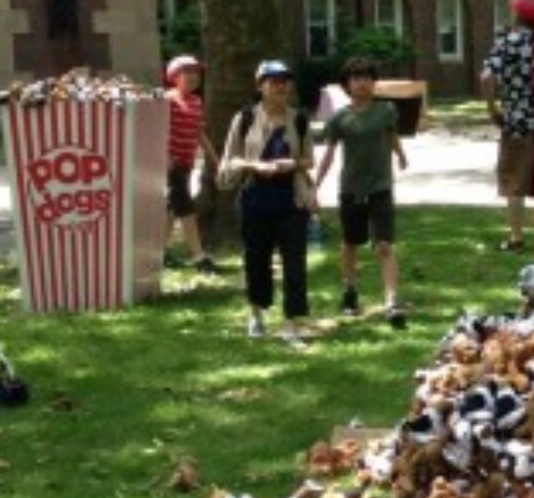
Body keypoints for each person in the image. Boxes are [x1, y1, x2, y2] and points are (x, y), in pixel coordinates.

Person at [218, 60, 316, 347]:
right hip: (255, 196)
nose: (280, 86)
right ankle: (256, 315)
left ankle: (292, 325)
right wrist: (254, 166)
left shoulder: (299, 119)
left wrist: (293, 163)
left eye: (285, 80)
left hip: (291, 198)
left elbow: (310, 159)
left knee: (295, 262)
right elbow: (230, 159)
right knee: (256, 259)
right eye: (273, 81)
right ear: (260, 85)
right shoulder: (245, 118)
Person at [313, 56, 409, 328]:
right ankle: (350, 292)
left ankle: (391, 299)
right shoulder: (339, 118)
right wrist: (315, 185)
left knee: (384, 245)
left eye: (367, 77)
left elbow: (391, 136)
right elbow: (329, 154)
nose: (362, 83)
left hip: (381, 187)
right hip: (350, 189)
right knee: (350, 244)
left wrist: (401, 155)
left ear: (373, 82)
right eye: (356, 78)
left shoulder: (386, 110)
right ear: (347, 84)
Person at [480, 0, 534, 251]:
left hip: (515, 121)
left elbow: (486, 77)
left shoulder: (506, 43)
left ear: (517, 17)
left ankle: (516, 237)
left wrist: (492, 108)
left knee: (514, 182)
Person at [163, 55, 220, 274]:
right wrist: (166, 157)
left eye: (196, 72)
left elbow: (199, 133)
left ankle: (161, 253)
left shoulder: (196, 101)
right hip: (172, 165)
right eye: (187, 72)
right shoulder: (168, 100)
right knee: (186, 208)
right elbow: (157, 131)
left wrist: (214, 159)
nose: (193, 77)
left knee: (171, 207)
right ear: (174, 77)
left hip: (186, 164)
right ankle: (199, 258)